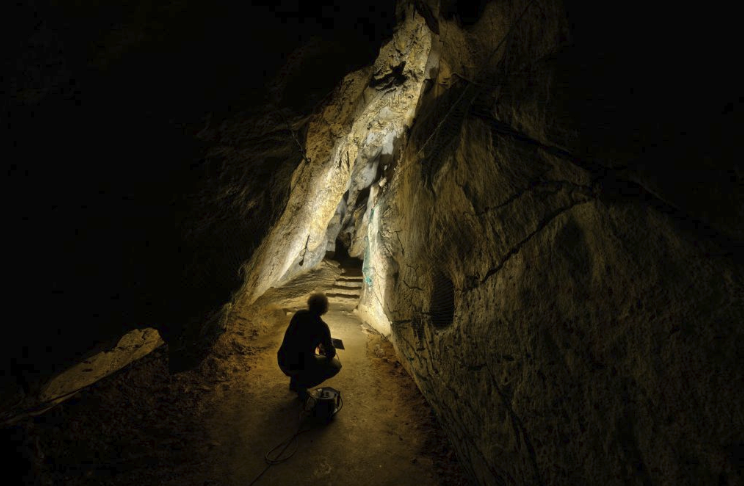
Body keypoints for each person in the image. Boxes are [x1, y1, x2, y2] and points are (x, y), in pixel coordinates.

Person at [277, 293, 342, 400]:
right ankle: (301, 386)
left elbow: (299, 339)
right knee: (335, 365)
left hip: (283, 359)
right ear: (324, 309)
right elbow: (330, 354)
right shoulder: (322, 327)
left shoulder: (299, 314)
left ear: (309, 304)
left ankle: (294, 383)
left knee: (299, 354)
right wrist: (326, 346)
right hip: (298, 364)